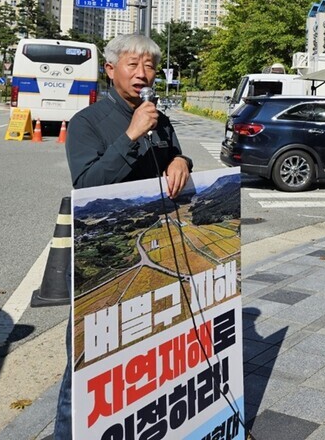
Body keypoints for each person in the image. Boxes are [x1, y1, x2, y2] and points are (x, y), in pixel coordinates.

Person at [54, 33, 192, 439]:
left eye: (149, 66)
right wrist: (130, 136)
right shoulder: (87, 122)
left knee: (148, 353)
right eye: (133, 65)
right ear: (110, 69)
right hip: (102, 255)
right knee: (89, 361)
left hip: (157, 244)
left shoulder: (158, 118)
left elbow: (173, 159)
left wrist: (182, 160)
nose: (142, 73)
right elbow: (87, 184)